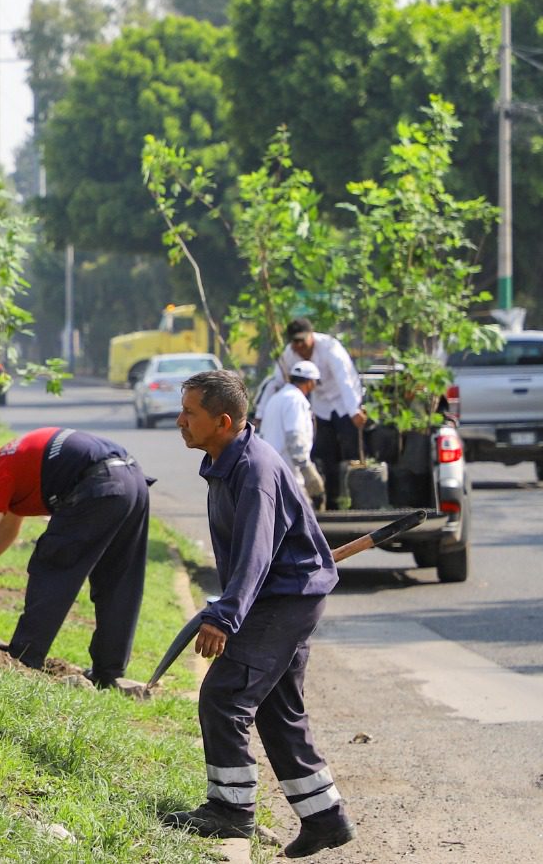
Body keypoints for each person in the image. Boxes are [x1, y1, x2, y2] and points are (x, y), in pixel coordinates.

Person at [166, 369, 353, 858]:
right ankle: (324, 818)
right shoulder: (225, 459)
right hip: (279, 593)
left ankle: (230, 811)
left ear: (222, 421)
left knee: (225, 696)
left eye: (190, 413)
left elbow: (254, 554)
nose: (180, 420)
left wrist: (224, 617)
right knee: (277, 710)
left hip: (284, 598)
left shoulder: (254, 471)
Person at [0, 428, 152, 687]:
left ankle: (24, 657)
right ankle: (108, 672)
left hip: (100, 483)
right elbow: (6, 533)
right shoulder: (13, 459)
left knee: (52, 564)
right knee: (118, 579)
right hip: (131, 480)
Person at [278, 318, 365, 507]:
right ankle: (331, 501)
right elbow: (278, 380)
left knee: (350, 453)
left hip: (344, 402)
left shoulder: (330, 348)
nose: (299, 346)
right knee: (325, 454)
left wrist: (354, 411)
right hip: (322, 406)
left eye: (302, 341)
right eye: (295, 342)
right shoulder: (289, 355)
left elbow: (345, 382)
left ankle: (354, 500)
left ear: (312, 336)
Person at [257, 359, 326, 504]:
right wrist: (305, 467)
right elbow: (295, 435)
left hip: (272, 465)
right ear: (310, 383)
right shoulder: (295, 400)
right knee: (301, 512)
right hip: (288, 467)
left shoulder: (278, 397)